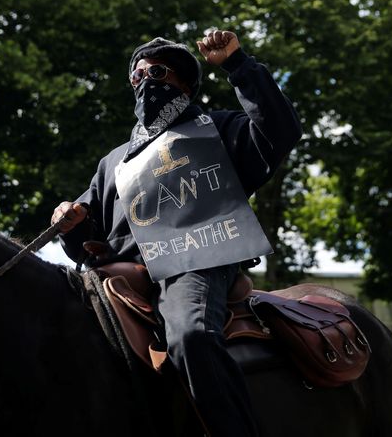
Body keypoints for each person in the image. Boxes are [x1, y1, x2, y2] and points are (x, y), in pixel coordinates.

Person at [52, 29, 302, 437]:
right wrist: (69, 219)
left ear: (184, 82)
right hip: (118, 278)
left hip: (196, 262)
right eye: (136, 76)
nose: (144, 80)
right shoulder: (113, 162)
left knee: (191, 336)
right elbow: (84, 243)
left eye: (158, 72)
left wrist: (239, 65)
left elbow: (280, 129)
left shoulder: (219, 128)